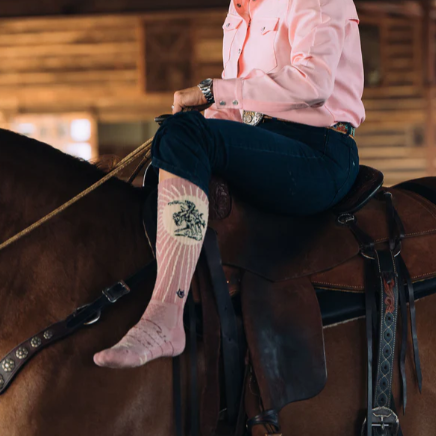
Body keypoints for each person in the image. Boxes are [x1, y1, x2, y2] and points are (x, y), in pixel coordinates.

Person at [94, 0, 365, 368]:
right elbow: (238, 108)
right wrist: (205, 115)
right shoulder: (238, 12)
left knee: (184, 138)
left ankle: (165, 316)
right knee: (167, 153)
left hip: (319, 152)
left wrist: (210, 92)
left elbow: (312, 82)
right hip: (262, 143)